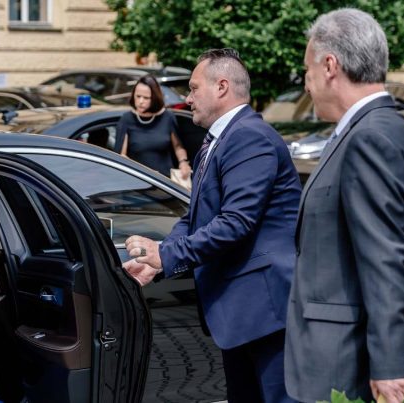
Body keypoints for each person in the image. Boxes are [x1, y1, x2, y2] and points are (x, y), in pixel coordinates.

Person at [123, 48, 301, 403]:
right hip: (242, 314)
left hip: (266, 312)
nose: (187, 99)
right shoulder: (219, 140)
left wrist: (166, 254)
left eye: (193, 88)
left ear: (222, 87)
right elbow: (195, 217)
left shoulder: (249, 137)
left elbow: (236, 222)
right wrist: (158, 259)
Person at [284, 9, 404, 403]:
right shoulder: (382, 129)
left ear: (330, 66)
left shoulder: (371, 138)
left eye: (307, 70)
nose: (307, 83)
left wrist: (390, 366)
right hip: (344, 360)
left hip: (348, 369)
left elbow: (385, 260)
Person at [113, 75, 191, 180]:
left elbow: (178, 146)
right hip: (139, 182)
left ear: (155, 98)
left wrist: (183, 162)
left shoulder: (167, 117)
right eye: (138, 96)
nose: (140, 101)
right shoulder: (127, 119)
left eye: (146, 98)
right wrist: (146, 172)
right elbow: (121, 156)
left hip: (165, 183)